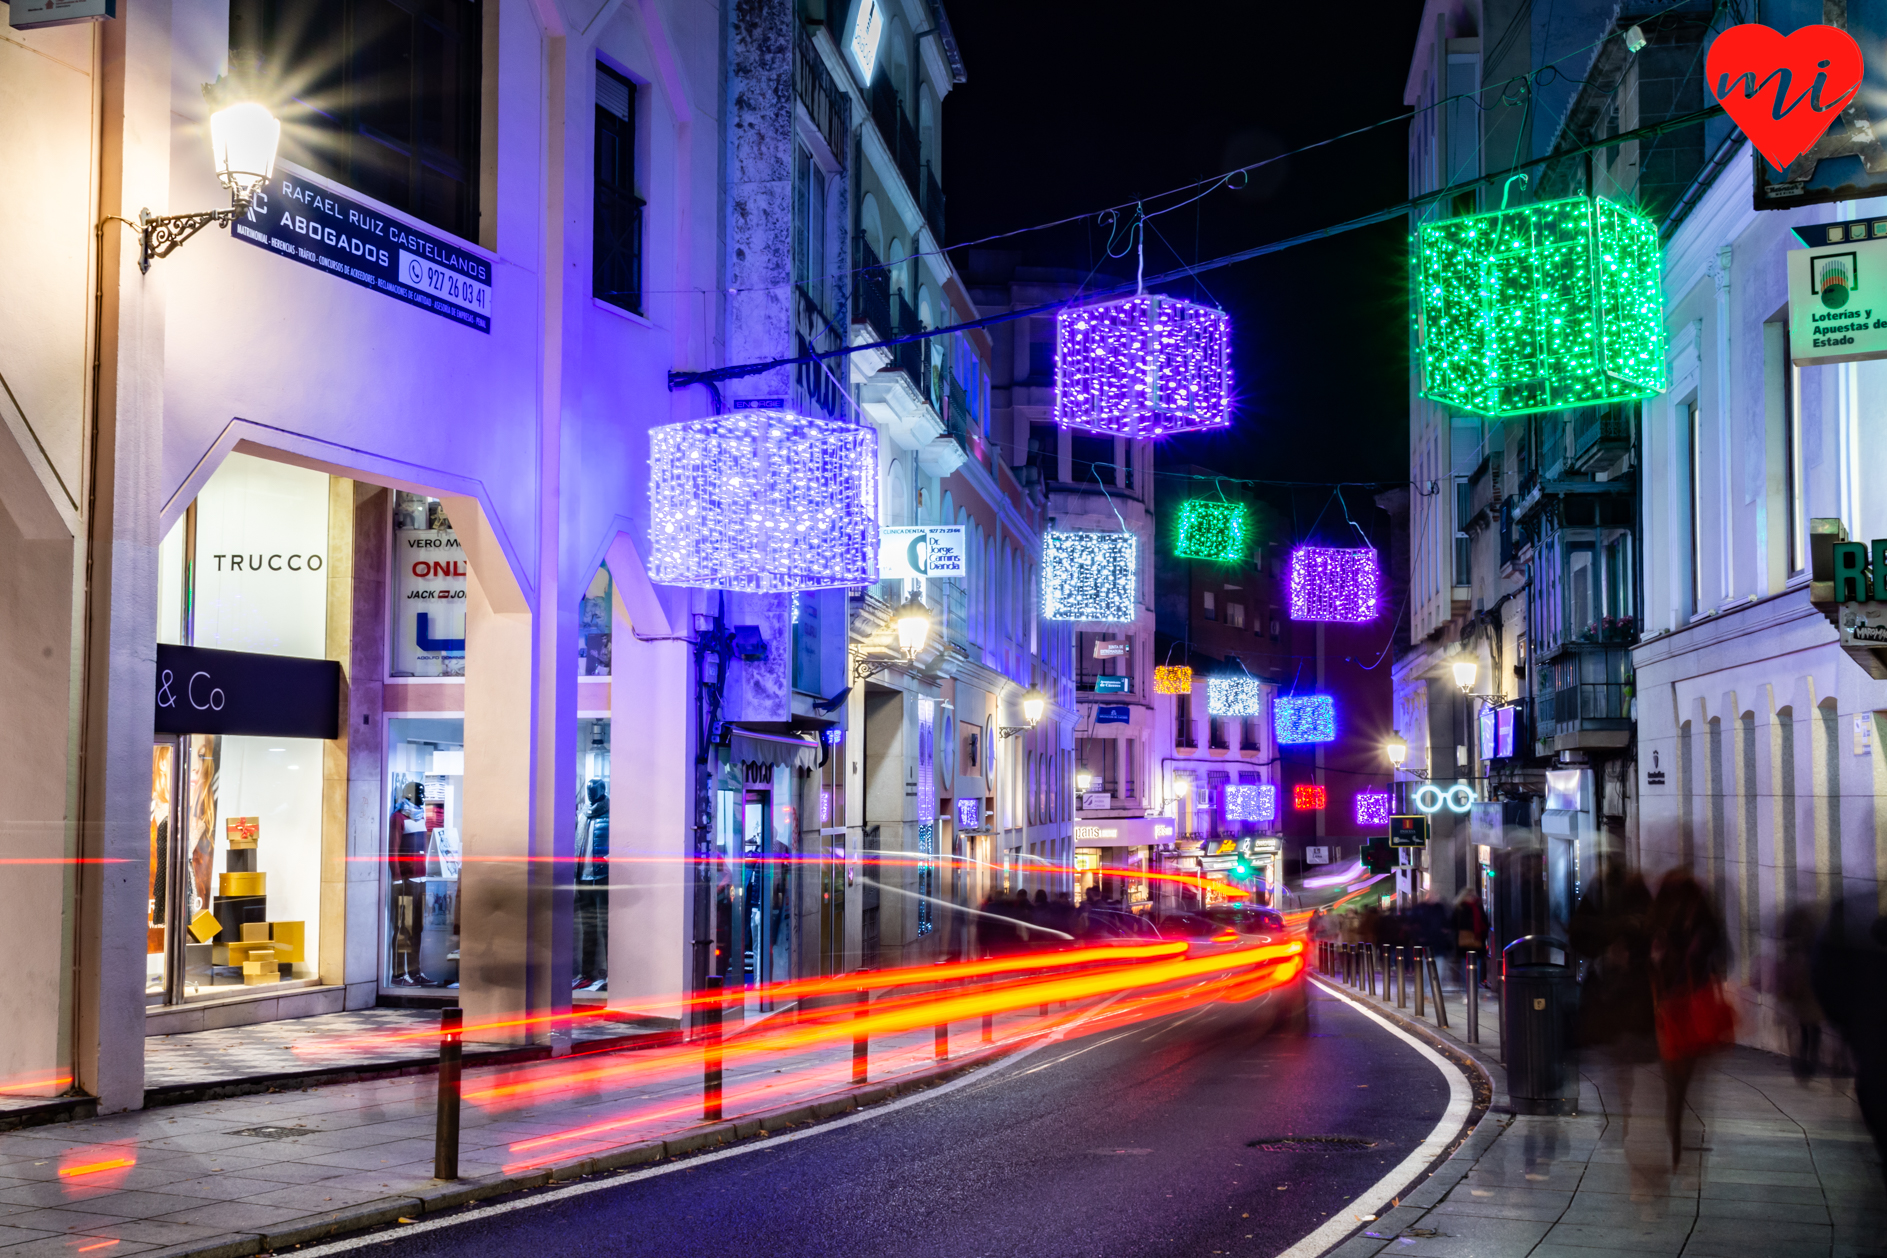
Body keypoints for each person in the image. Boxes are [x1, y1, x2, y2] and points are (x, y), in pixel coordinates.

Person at [1648, 869, 1731, 1168]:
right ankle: (1681, 1144)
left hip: (1673, 1009)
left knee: (1676, 1086)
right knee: (1687, 1084)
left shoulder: (1665, 923)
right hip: (1691, 1008)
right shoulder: (1702, 920)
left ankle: (1678, 1144)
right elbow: (1720, 959)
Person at [1570, 867, 1655, 1144]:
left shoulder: (1615, 895)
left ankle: (1623, 1112)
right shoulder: (1610, 895)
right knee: (1618, 1059)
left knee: (1619, 1059)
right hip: (1614, 992)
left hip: (1625, 992)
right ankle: (1623, 1111)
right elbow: (1580, 934)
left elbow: (1579, 933)